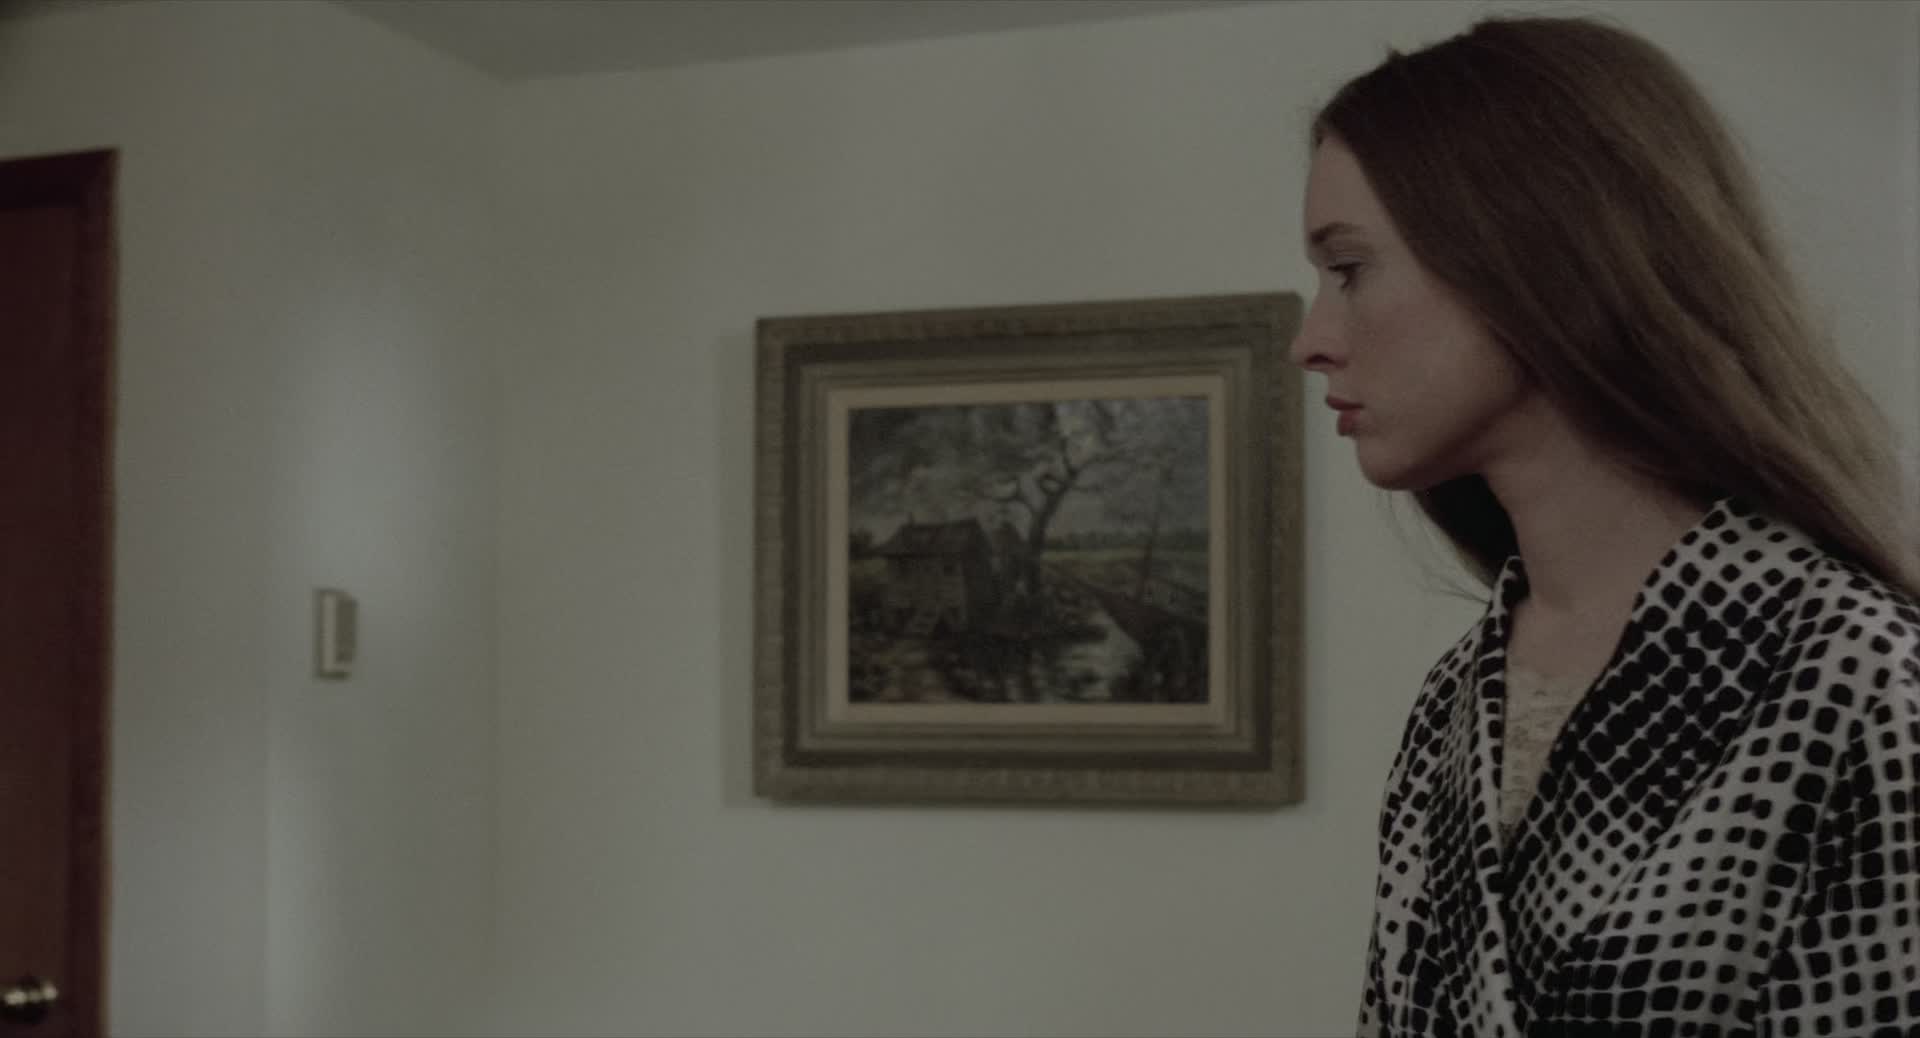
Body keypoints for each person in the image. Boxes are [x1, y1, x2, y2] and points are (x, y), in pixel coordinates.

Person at [1288, 14, 1920, 1036]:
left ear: (1535, 256)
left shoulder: (1854, 681)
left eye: (1349, 269)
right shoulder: (1456, 700)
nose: (1311, 340)